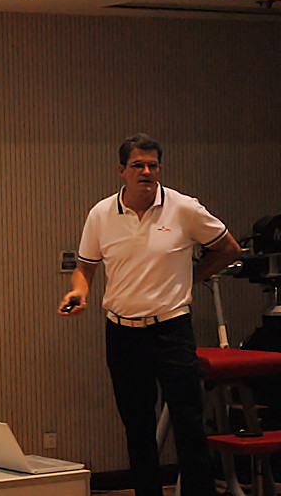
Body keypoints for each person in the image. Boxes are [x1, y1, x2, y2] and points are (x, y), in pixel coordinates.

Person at [58, 133, 242, 496]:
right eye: (138, 165)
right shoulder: (101, 214)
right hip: (122, 333)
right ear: (122, 171)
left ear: (160, 169)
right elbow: (86, 268)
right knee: (138, 428)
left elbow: (229, 249)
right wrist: (79, 292)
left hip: (171, 329)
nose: (146, 172)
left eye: (153, 165)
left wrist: (191, 276)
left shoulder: (183, 208)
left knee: (189, 427)